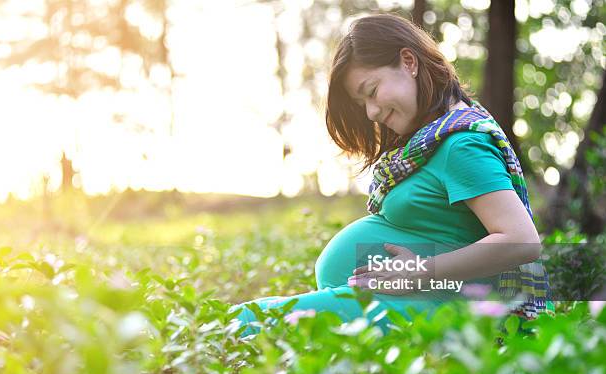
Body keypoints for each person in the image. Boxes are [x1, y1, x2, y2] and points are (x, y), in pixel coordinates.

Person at [229, 14, 553, 338]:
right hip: (419, 305)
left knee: (246, 322)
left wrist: (420, 272)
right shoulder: (433, 139)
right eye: (362, 103)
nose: (371, 112)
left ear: (408, 61)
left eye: (371, 91)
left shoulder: (460, 144)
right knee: (252, 322)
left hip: (441, 313)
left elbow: (521, 241)